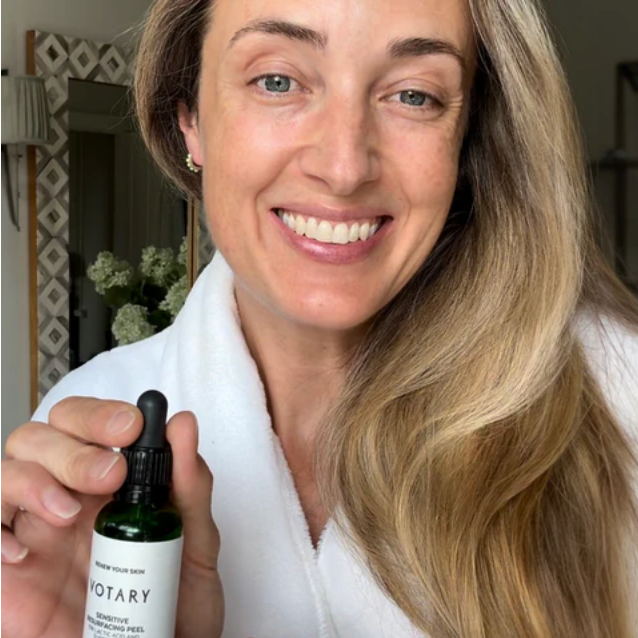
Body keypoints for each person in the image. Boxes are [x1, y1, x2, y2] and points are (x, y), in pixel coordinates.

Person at [3, 0, 638, 636]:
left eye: (413, 95)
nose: (343, 168)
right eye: (277, 81)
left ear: (470, 134)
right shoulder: (91, 426)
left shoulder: (618, 397)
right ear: (189, 118)